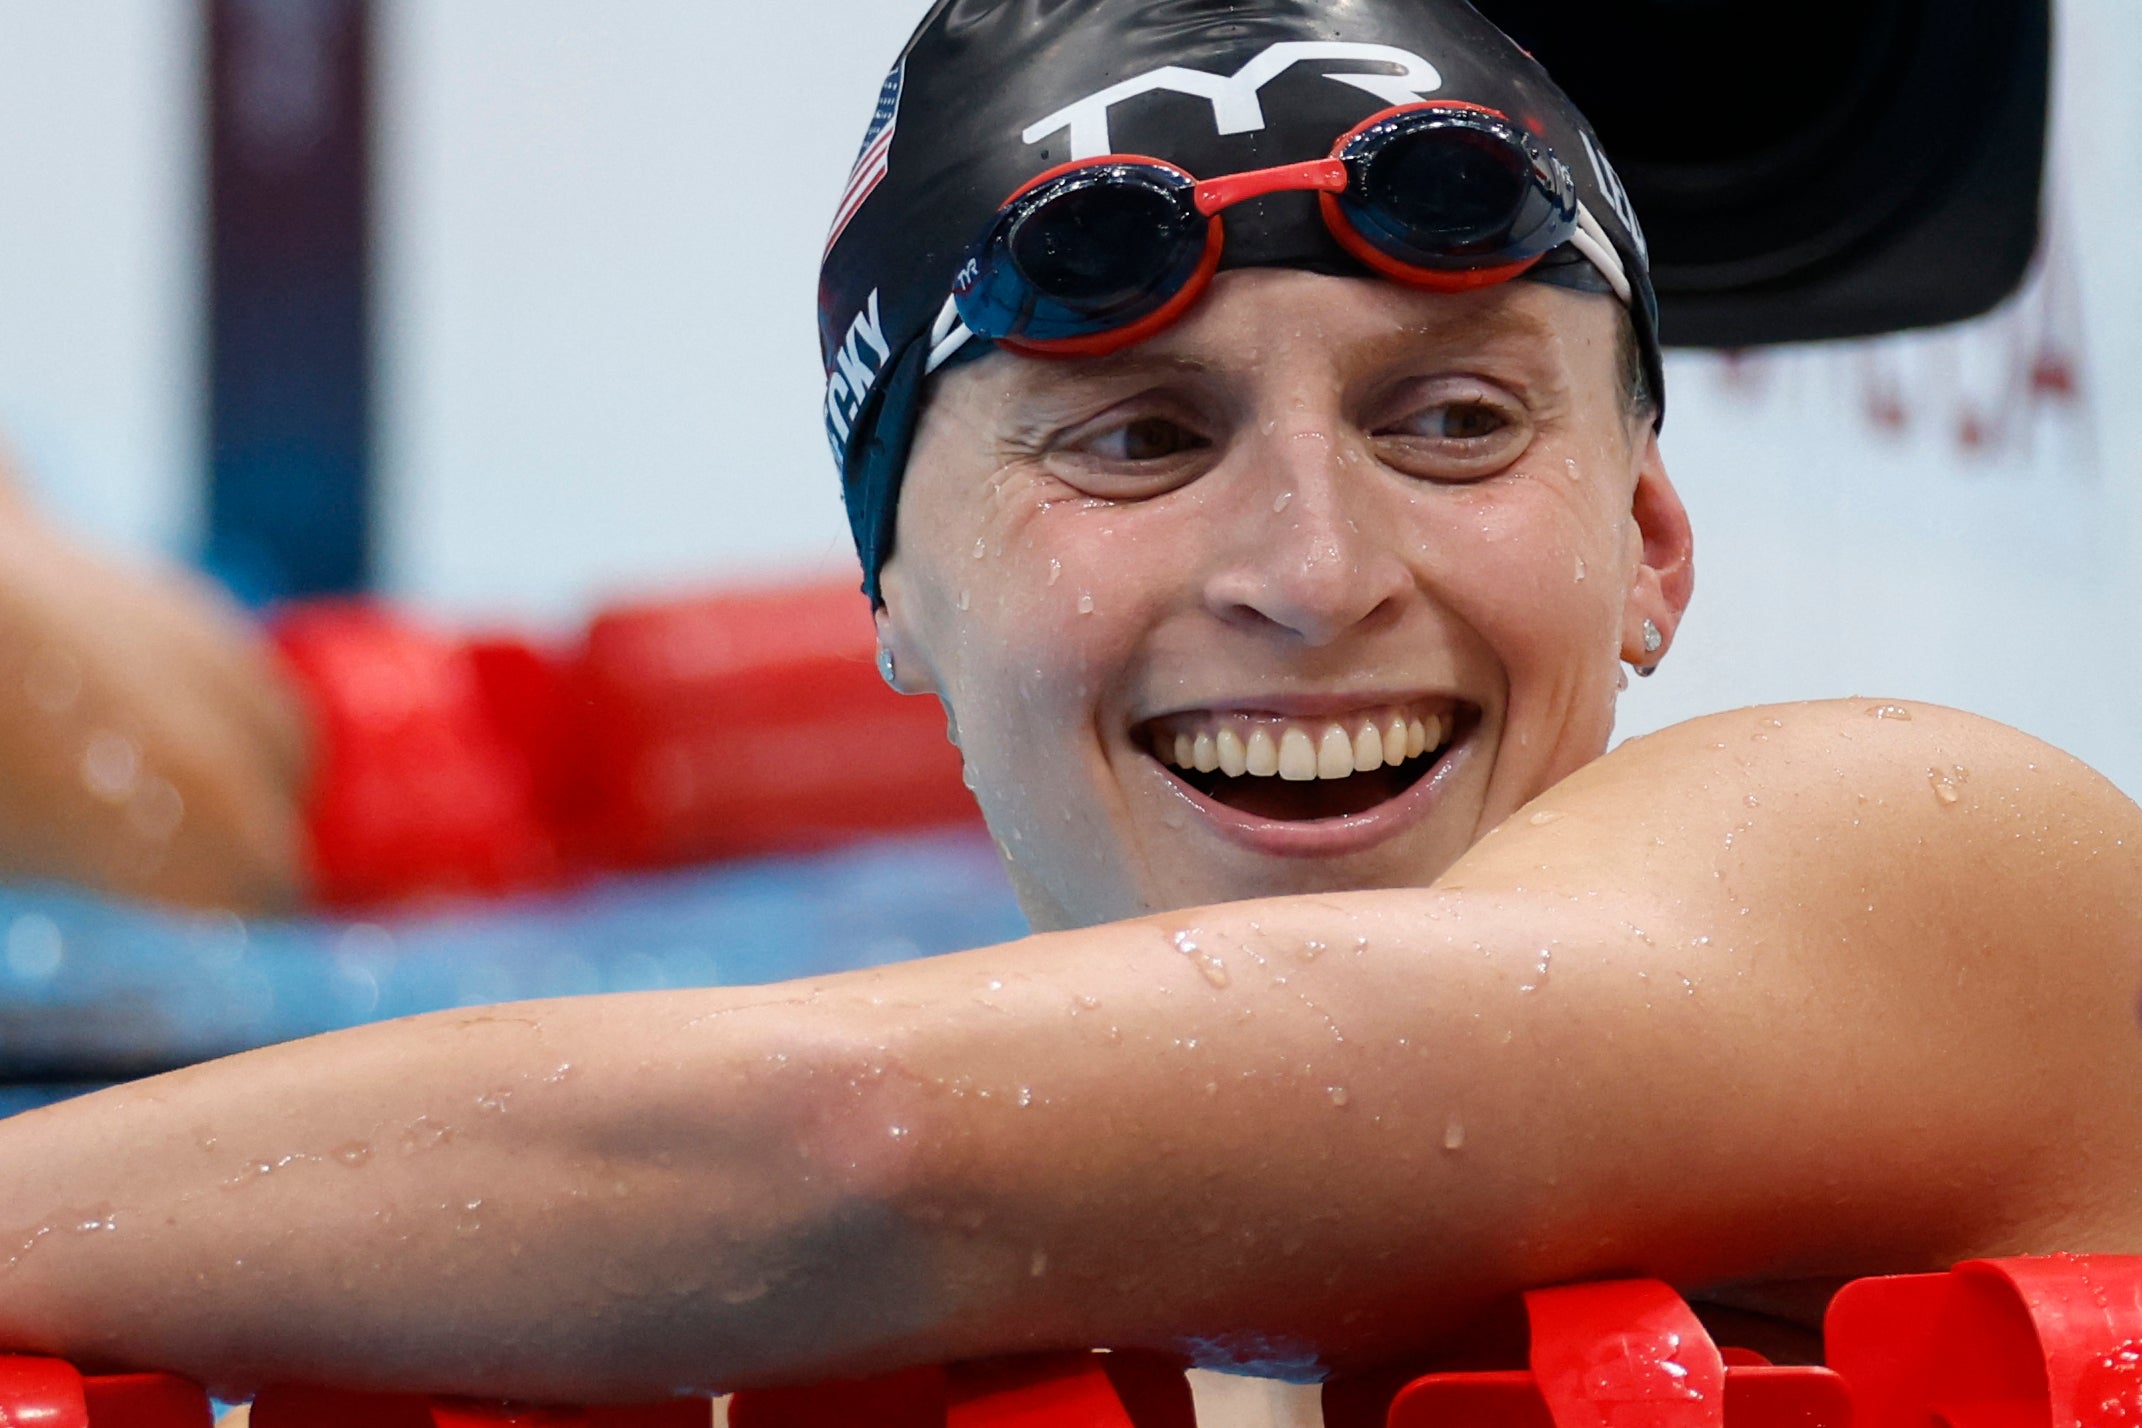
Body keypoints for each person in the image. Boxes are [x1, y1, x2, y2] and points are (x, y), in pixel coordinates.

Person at [3, 0, 2139, 1420]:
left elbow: (848, 1147)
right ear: (897, 602)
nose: (1314, 569)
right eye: (1133, 442)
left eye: (1457, 420)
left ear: (1655, 544)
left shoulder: (1940, 873)